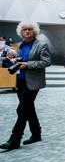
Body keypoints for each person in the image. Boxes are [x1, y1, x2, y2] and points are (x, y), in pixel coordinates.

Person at [0, 21, 51, 150]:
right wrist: (14, 59)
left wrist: (28, 64)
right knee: (29, 109)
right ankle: (36, 134)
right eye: (24, 29)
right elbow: (22, 59)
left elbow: (46, 61)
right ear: (21, 32)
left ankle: (14, 140)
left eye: (30, 29)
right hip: (21, 80)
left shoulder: (41, 45)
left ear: (34, 31)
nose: (27, 31)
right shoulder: (21, 45)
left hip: (33, 82)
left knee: (21, 110)